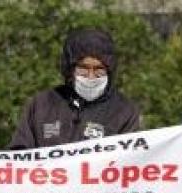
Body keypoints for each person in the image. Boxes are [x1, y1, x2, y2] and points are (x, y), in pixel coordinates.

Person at [9, 28, 141, 150]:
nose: (90, 76)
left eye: (99, 69)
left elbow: (130, 161)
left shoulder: (123, 111)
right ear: (69, 69)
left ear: (109, 70)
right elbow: (18, 155)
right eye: (83, 68)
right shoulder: (42, 105)